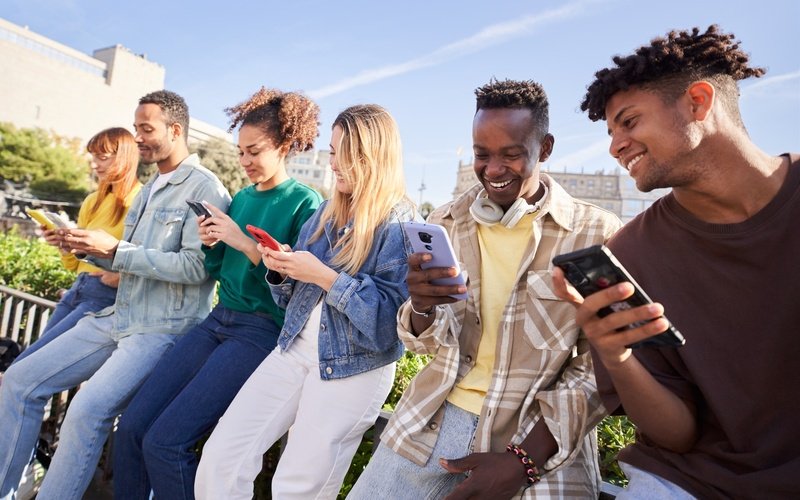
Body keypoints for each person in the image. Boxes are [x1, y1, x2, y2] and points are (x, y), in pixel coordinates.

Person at [552, 25, 800, 499]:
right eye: (610, 131)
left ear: (698, 103)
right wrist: (615, 355)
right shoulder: (630, 253)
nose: (614, 145)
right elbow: (676, 434)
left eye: (628, 122)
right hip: (690, 483)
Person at [348, 79, 622, 500]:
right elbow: (421, 346)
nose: (493, 170)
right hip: (430, 421)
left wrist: (523, 460)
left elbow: (602, 365)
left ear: (545, 148)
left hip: (539, 440)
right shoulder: (446, 223)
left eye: (512, 155)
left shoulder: (594, 233)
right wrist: (420, 308)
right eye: (481, 155)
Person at [0, 90, 230, 500]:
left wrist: (115, 249)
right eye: (137, 126)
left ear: (175, 130)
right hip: (118, 318)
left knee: (86, 413)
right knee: (19, 380)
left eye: (147, 128)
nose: (138, 136)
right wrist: (83, 247)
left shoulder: (206, 189)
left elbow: (197, 269)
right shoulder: (149, 189)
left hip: (161, 329)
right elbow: (127, 261)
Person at [112, 87, 323, 500]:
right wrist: (212, 243)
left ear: (284, 146)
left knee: (165, 443)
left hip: (260, 330)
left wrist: (242, 241)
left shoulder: (305, 202)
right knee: (132, 428)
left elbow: (299, 286)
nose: (244, 162)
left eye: (254, 151)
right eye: (240, 152)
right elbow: (218, 270)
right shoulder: (241, 197)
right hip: (218, 319)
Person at [194, 104, 414, 499]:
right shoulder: (326, 215)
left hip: (353, 367)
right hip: (293, 350)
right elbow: (290, 299)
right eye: (332, 152)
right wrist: (281, 269)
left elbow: (388, 327)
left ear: (373, 158)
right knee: (221, 458)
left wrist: (326, 277)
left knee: (298, 487)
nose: (334, 164)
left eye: (345, 155)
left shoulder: (400, 224)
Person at [15, 128, 142, 363]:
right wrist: (63, 244)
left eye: (102, 157)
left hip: (105, 296)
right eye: (93, 157)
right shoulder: (92, 201)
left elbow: (145, 257)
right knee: (29, 363)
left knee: (32, 363)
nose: (94, 165)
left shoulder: (141, 200)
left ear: (124, 157)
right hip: (78, 288)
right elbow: (74, 264)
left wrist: (116, 277)